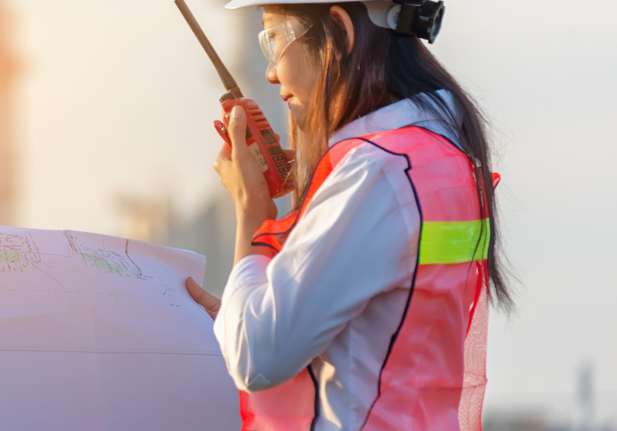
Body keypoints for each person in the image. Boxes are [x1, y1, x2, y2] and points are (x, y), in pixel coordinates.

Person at [181, 1, 514, 430]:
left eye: (275, 39)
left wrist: (253, 212)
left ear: (339, 31)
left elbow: (256, 355)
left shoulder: (375, 172)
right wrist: (248, 310)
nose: (270, 73)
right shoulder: (442, 159)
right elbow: (388, 331)